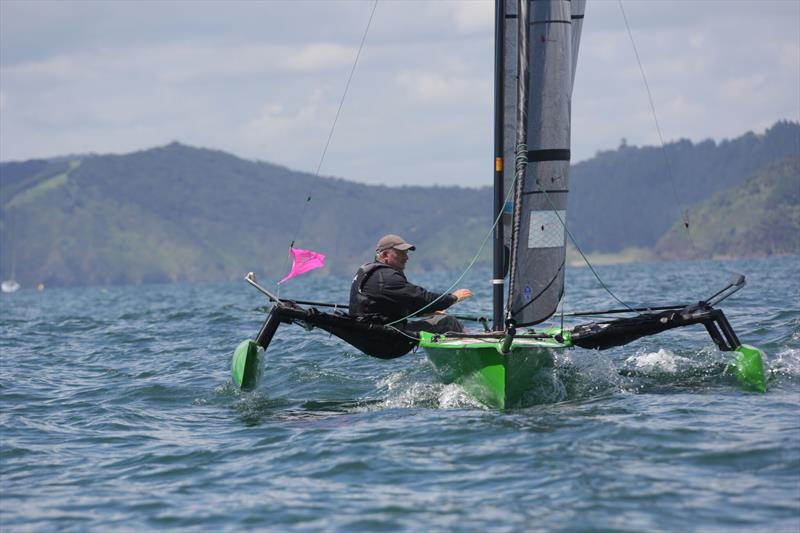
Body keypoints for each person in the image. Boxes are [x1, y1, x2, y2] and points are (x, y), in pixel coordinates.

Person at [349, 234, 473, 334]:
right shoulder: (386, 278)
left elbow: (387, 305)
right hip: (386, 335)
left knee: (438, 319)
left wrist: (424, 313)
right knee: (448, 321)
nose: (406, 258)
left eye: (406, 253)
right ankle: (470, 343)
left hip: (370, 331)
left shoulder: (372, 272)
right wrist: (454, 298)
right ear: (385, 255)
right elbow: (422, 298)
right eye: (401, 253)